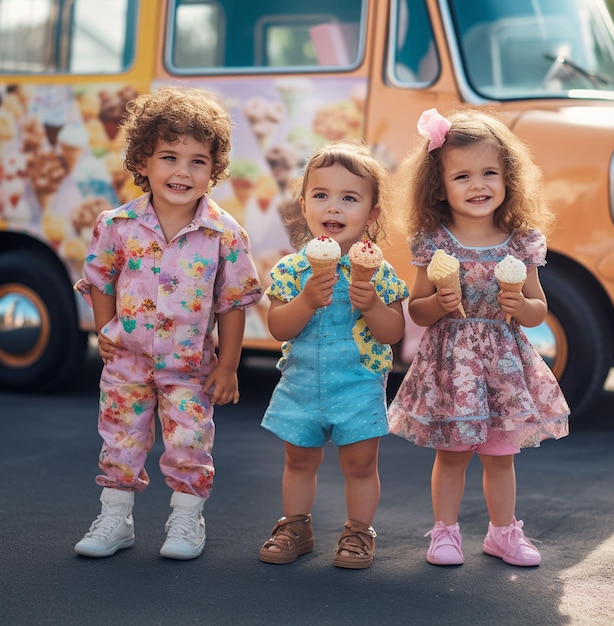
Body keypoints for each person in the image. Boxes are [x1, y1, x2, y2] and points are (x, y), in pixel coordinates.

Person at [73, 86, 262, 560]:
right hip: (128, 362)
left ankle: (186, 521)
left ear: (214, 169)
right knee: (120, 439)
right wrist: (104, 330)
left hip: (190, 366)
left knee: (189, 443)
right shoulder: (117, 224)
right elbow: (100, 277)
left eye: (198, 161)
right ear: (142, 161)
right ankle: (115, 518)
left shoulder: (226, 233)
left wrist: (229, 365)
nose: (182, 171)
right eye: (169, 157)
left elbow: (233, 302)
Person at [388, 108, 570, 567]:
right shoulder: (434, 242)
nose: (478, 185)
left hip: (503, 364)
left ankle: (503, 533)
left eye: (490, 172)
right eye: (462, 175)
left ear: (509, 178)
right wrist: (441, 303)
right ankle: (444, 533)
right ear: (440, 186)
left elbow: (538, 309)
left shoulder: (520, 242)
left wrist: (521, 307)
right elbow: (418, 309)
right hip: (452, 364)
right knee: (452, 455)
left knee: (499, 456)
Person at [258, 141, 408, 569]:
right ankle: (296, 525)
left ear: (372, 213)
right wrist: (305, 301)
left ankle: (359, 531)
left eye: (349, 198)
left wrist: (372, 306)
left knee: (360, 461)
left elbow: (393, 332)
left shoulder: (379, 271)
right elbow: (278, 327)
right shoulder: (292, 269)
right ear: (303, 205)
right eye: (321, 195)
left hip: (357, 383)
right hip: (302, 381)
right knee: (298, 457)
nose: (333, 207)